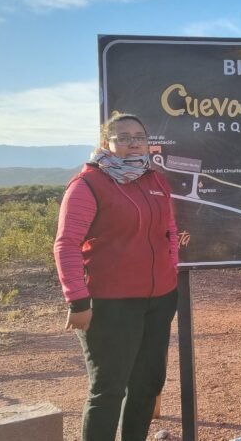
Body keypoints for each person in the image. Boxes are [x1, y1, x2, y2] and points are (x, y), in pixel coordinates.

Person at [53, 112, 179, 441]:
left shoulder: (155, 180)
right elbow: (66, 244)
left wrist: (171, 271)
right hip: (111, 305)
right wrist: (77, 301)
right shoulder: (87, 185)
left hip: (159, 300)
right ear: (106, 144)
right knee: (108, 391)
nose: (133, 142)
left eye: (139, 135)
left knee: (148, 384)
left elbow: (169, 230)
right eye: (123, 137)